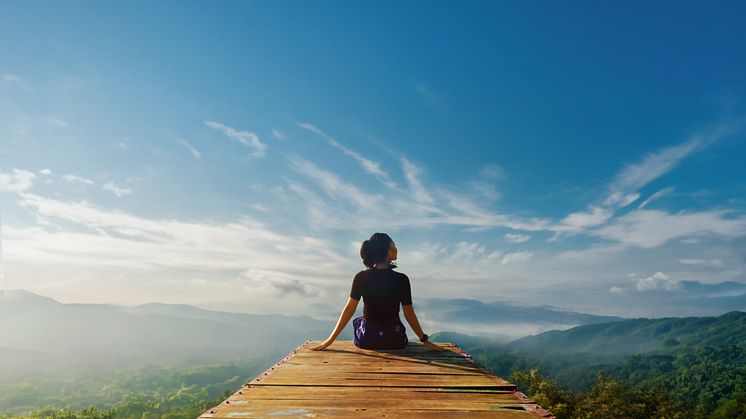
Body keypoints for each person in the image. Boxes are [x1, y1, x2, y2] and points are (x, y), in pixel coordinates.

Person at [311, 233, 444, 351]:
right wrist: (425, 340)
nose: (396, 248)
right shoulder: (402, 279)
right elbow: (409, 313)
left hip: (367, 339)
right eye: (394, 245)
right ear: (388, 251)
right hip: (394, 339)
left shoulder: (361, 277)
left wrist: (330, 339)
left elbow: (349, 310)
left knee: (359, 321)